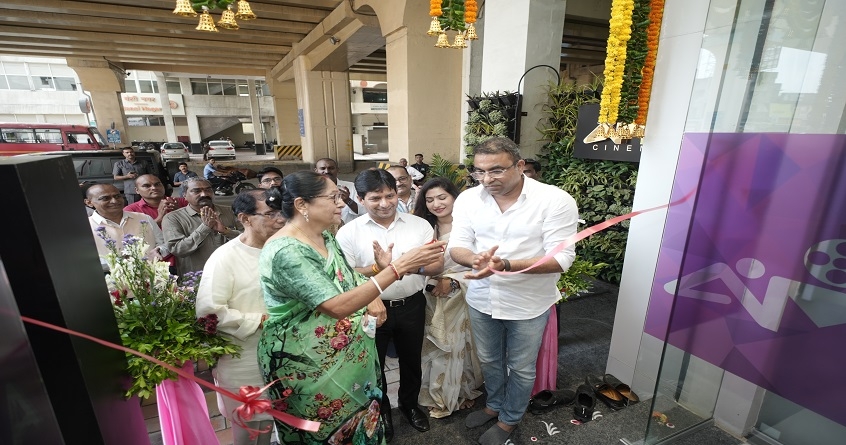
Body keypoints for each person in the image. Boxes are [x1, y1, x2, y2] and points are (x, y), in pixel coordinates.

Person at [257, 171, 445, 444]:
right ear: (302, 205)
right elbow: (336, 305)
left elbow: (348, 278)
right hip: (304, 361)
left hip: (340, 351)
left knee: (355, 423)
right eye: (333, 197)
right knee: (322, 432)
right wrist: (398, 267)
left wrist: (378, 272)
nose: (342, 204)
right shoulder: (288, 251)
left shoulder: (324, 237)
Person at [448, 137, 578, 445]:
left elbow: (561, 259)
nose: (486, 179)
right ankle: (494, 404)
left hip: (528, 302)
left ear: (519, 166)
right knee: (490, 359)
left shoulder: (555, 200)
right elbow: (458, 246)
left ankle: (510, 419)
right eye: (479, 171)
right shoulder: (469, 199)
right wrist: (477, 260)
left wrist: (505, 264)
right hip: (482, 297)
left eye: (496, 170)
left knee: (520, 366)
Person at [336, 169, 445, 441]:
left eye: (389, 195)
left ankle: (409, 406)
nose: (384, 203)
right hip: (371, 309)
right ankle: (381, 412)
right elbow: (346, 275)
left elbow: (436, 264)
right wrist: (379, 268)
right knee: (373, 365)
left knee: (411, 360)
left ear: (398, 194)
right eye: (375, 198)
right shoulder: (348, 233)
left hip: (411, 305)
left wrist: (403, 267)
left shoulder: (418, 226)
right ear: (361, 199)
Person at [196, 189, 286, 445]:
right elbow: (209, 311)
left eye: (281, 213)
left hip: (286, 354)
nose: (279, 219)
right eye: (269, 214)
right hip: (246, 356)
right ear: (244, 218)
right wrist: (260, 320)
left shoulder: (284, 249)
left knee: (282, 422)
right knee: (252, 432)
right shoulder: (225, 257)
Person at [412, 177, 483, 419]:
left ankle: (461, 392)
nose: (436, 204)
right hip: (431, 295)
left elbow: (481, 264)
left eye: (442, 197)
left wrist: (454, 281)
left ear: (455, 197)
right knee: (434, 344)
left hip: (461, 294)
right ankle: (437, 393)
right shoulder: (423, 228)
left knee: (459, 345)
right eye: (429, 199)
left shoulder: (471, 227)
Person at [162, 178, 242, 274]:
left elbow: (250, 239)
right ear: (184, 195)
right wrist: (204, 228)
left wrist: (226, 231)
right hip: (196, 279)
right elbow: (178, 249)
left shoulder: (231, 211)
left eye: (208, 190)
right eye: (196, 191)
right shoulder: (173, 218)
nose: (204, 194)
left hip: (233, 273)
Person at [85, 183, 166, 269]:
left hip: (151, 277)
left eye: (117, 196)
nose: (114, 201)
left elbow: (164, 243)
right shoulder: (85, 228)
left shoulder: (144, 218)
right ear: (89, 202)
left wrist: (159, 251)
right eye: (105, 198)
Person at [314, 157, 363, 223]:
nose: (327, 171)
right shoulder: (310, 189)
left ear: (337, 170)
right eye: (323, 168)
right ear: (316, 171)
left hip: (347, 230)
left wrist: (348, 200)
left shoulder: (351, 187)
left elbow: (362, 211)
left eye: (331, 168)